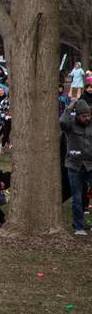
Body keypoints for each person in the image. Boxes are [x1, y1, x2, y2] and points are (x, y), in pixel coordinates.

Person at [60, 99, 92, 236]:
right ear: (77, 115)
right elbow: (61, 122)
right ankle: (79, 226)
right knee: (77, 197)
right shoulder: (70, 125)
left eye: (88, 115)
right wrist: (69, 108)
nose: (87, 118)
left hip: (90, 164)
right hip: (74, 165)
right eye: (83, 116)